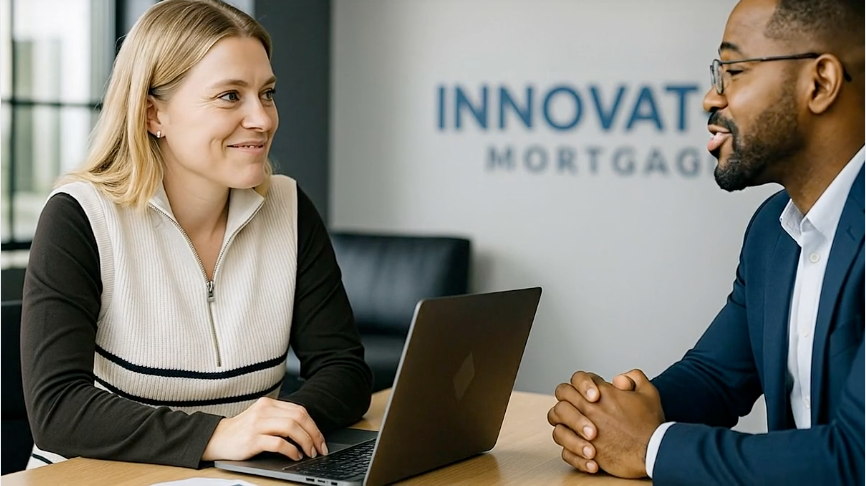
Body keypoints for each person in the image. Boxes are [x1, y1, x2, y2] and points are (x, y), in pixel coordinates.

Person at [20, 0, 372, 470]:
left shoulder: (287, 208)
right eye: (230, 95)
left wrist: (273, 430)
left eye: (267, 93)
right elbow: (58, 410)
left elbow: (344, 370)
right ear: (152, 115)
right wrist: (220, 434)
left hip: (240, 477)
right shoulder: (79, 217)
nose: (263, 119)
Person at [547, 0, 864, 483]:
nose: (710, 99)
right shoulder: (771, 231)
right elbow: (716, 379)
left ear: (819, 83)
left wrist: (649, 446)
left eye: (733, 70)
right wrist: (614, 414)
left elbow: (855, 459)